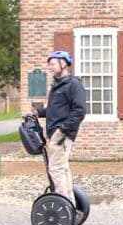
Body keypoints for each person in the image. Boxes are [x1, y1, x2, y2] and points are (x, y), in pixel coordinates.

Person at [33, 50, 85, 207]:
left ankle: (64, 207)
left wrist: (62, 129)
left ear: (63, 64)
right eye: (49, 64)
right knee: (63, 168)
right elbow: (54, 109)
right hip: (55, 132)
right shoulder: (57, 85)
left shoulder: (73, 85)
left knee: (55, 169)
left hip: (61, 134)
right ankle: (70, 204)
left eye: (53, 64)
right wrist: (39, 112)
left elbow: (79, 111)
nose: (49, 67)